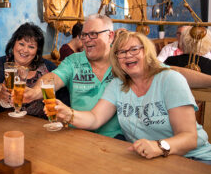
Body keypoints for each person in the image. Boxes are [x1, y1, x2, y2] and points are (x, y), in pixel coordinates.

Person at [24, 14, 211, 139]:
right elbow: (53, 79)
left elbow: (169, 72)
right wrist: (33, 92)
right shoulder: (74, 61)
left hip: (118, 139)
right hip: (78, 133)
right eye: (84, 35)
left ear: (110, 36)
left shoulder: (125, 60)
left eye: (93, 34)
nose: (87, 39)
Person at [55, 31, 211, 163]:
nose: (127, 56)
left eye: (134, 49)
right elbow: (95, 118)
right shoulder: (118, 85)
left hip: (193, 159)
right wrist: (70, 114)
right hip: (150, 161)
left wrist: (158, 147)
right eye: (121, 52)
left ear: (147, 51)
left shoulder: (170, 80)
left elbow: (190, 137)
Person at [0, 23, 70, 119]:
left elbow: (64, 102)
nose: (25, 50)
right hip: (3, 125)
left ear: (37, 51)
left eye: (31, 47)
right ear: (13, 44)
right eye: (21, 44)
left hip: (40, 127)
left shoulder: (49, 68)